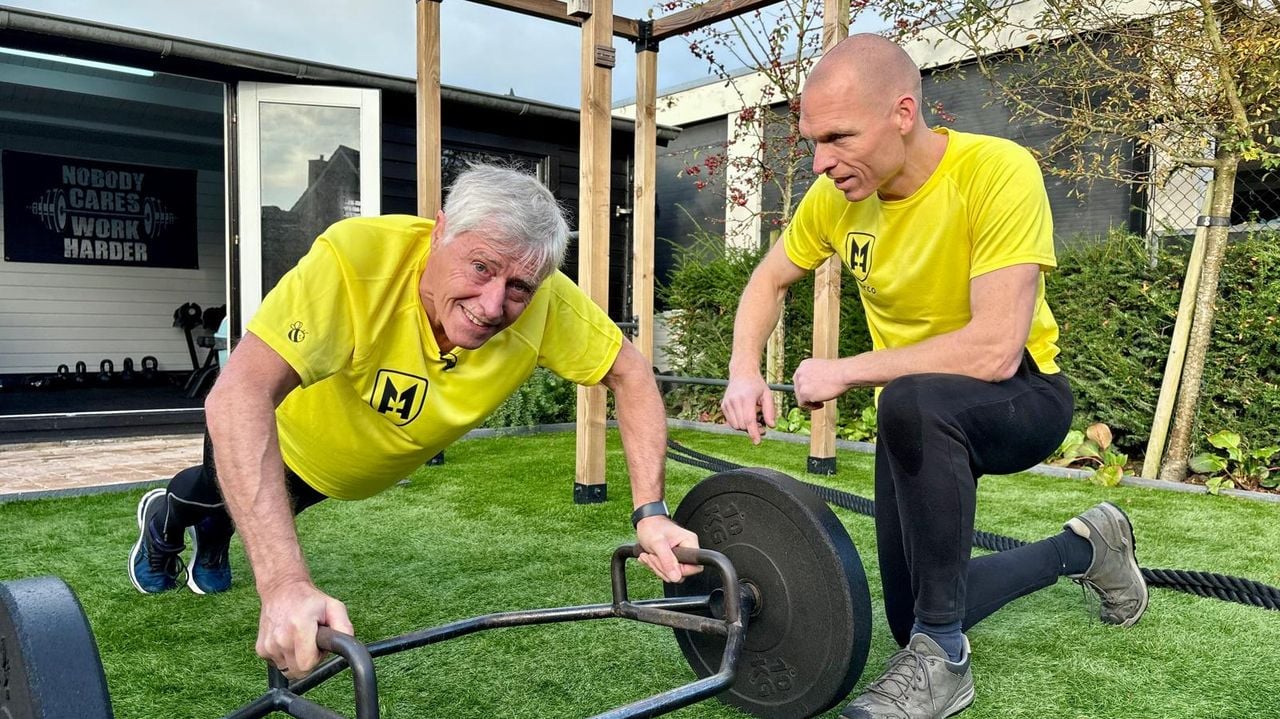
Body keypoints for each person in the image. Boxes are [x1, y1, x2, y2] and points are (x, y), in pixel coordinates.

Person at [128, 164, 701, 678]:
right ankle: (164, 520)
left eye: (518, 287)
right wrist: (283, 584)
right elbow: (238, 396)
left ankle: (212, 540)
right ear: (439, 232)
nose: (493, 304)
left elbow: (631, 373)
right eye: (481, 267)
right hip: (277, 441)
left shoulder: (547, 301)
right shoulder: (356, 259)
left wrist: (651, 513)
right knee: (214, 499)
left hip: (339, 475)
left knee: (242, 522)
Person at [720, 35, 1148, 719]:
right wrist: (743, 370)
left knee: (913, 401)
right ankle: (1087, 547)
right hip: (915, 412)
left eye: (838, 137)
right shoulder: (835, 199)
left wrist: (844, 371)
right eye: (813, 142)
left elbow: (995, 350)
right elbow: (770, 279)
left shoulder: (996, 171)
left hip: (1022, 396)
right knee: (910, 613)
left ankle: (944, 662)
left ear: (902, 112)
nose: (821, 162)